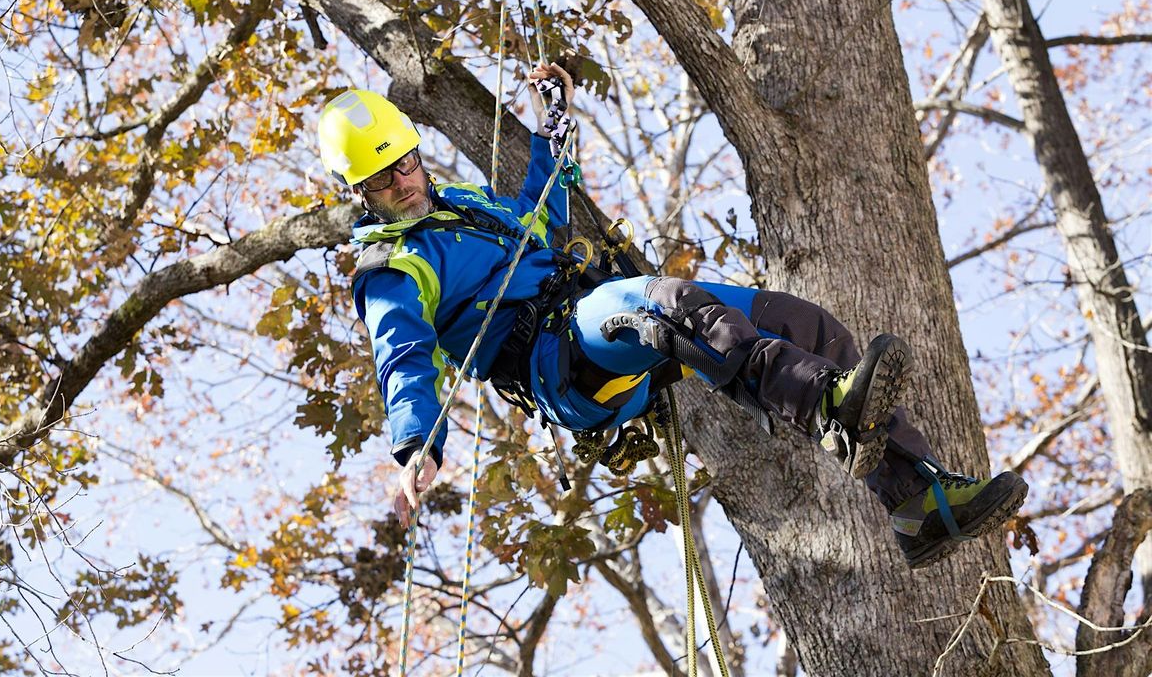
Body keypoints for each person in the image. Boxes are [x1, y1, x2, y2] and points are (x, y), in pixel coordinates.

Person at [317, 63, 1029, 569]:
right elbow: (401, 356)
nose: (400, 184)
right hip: (560, 362)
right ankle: (826, 409)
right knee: (667, 306)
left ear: (416, 153)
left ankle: (918, 506)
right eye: (380, 180)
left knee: (804, 325)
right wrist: (418, 444)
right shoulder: (392, 269)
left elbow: (543, 211)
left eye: (404, 164)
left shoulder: (467, 206)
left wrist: (552, 124)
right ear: (360, 191)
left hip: (592, 316)